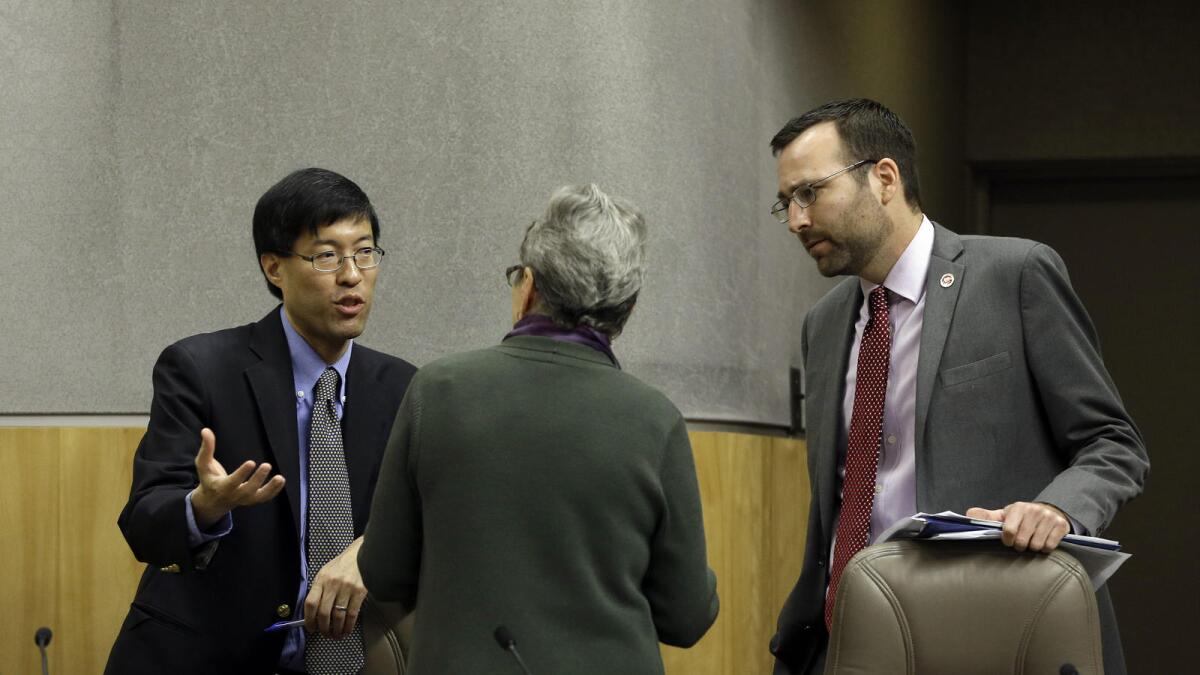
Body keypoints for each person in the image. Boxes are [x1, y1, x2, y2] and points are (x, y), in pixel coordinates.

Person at [765, 99, 1148, 675]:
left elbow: (1114, 444)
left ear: (885, 177)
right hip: (851, 644)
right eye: (786, 203)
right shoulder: (822, 326)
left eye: (810, 193)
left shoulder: (1014, 276)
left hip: (998, 634)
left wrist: (1058, 510)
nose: (797, 220)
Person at [358, 184, 719, 674]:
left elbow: (382, 572)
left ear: (528, 285)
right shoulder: (655, 419)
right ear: (626, 311)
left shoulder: (437, 390)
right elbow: (687, 616)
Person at [105, 168, 417, 674]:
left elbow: (428, 514)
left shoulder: (403, 387)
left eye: (365, 251)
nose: (352, 275)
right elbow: (144, 523)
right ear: (274, 267)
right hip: (206, 658)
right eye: (326, 255)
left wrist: (371, 551)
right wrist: (202, 507)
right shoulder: (200, 369)